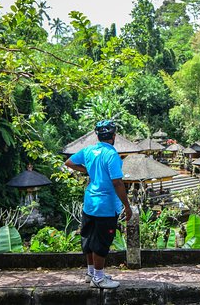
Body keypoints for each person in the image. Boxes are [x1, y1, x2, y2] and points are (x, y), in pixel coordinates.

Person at [65, 120, 133, 289]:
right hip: (106, 206)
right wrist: (127, 205)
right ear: (114, 136)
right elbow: (117, 182)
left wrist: (87, 170)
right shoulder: (112, 155)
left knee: (88, 239)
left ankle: (91, 273)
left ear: (98, 136)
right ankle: (99, 278)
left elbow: (69, 162)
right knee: (101, 242)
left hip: (89, 203)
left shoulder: (89, 150)